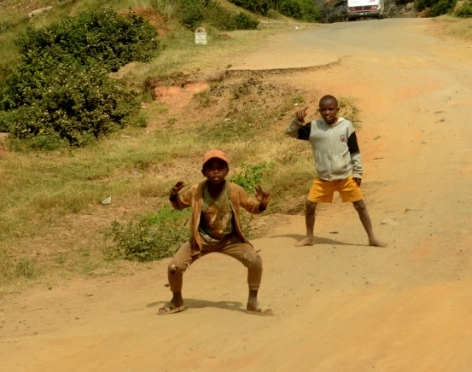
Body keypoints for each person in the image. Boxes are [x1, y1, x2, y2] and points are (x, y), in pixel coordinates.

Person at [158, 149, 273, 316]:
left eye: (220, 167)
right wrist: (173, 196)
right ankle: (176, 300)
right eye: (210, 168)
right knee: (174, 267)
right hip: (201, 241)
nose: (216, 171)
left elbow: (252, 207)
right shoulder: (196, 190)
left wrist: (262, 204)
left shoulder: (234, 190)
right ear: (204, 172)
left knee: (255, 260)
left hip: (230, 240)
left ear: (227, 171)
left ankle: (253, 301)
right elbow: (179, 205)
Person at [288, 95, 387, 248]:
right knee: (310, 205)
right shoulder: (314, 127)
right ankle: (309, 237)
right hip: (324, 178)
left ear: (337, 110)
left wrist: (358, 172)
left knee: (360, 205)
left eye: (330, 109)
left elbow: (354, 151)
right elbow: (291, 133)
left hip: (345, 176)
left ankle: (372, 238)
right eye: (323, 109)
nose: (327, 112)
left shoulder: (346, 126)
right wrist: (297, 121)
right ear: (319, 110)